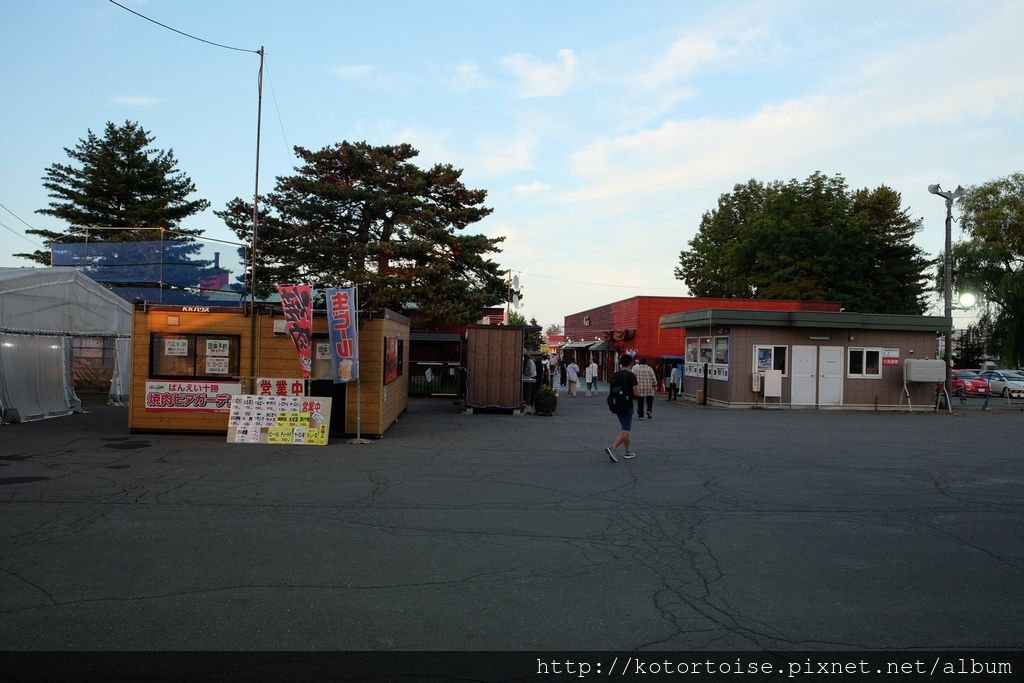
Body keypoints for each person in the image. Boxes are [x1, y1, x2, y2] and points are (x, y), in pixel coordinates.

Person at [605, 354, 639, 462]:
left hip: (616, 405)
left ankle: (628, 451)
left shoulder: (614, 375)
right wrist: (637, 396)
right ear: (630, 363)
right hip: (627, 404)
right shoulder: (631, 376)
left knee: (624, 428)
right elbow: (636, 392)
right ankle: (612, 448)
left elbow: (611, 390)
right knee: (626, 430)